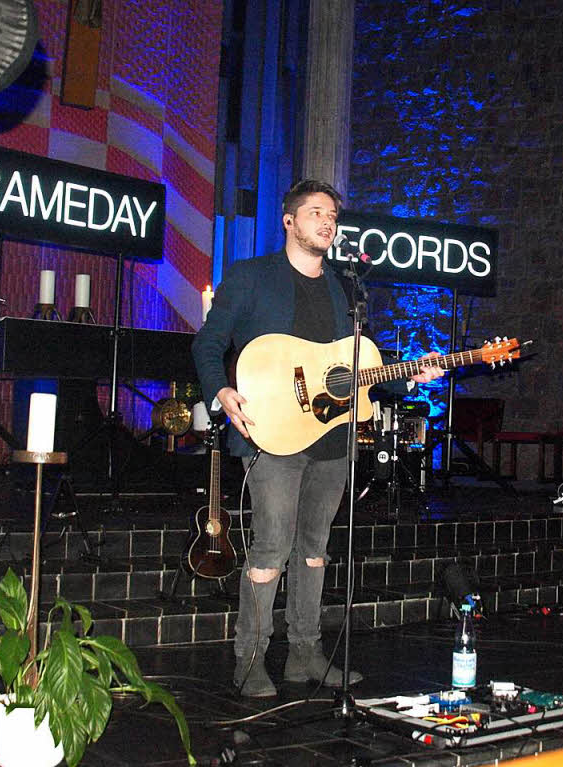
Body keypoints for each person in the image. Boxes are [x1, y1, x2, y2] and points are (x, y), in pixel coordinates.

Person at [193, 179, 444, 697]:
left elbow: (354, 368)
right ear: (289, 221)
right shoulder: (250, 277)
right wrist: (221, 392)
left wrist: (411, 376)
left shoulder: (344, 288)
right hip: (273, 437)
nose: (326, 222)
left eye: (331, 214)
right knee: (272, 545)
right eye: (314, 212)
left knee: (314, 549)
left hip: (331, 439)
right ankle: (250, 658)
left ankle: (304, 654)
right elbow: (209, 342)